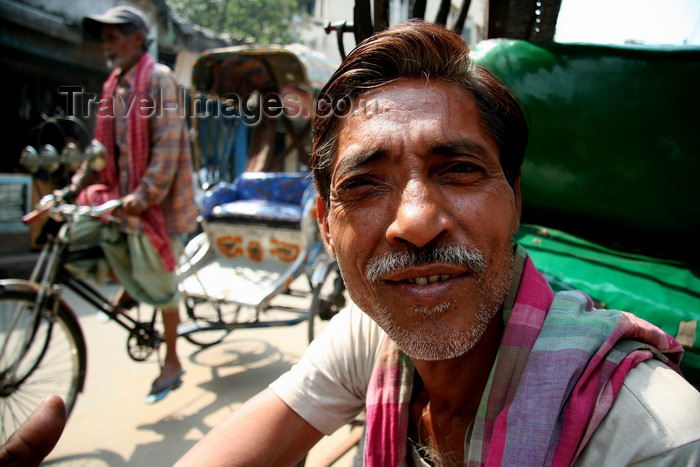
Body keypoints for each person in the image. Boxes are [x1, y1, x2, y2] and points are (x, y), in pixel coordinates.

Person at [7, 20, 699, 467]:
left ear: (515, 200)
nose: (417, 221)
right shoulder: (372, 339)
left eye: (458, 170)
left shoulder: (654, 437)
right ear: (325, 222)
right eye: (366, 185)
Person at [65, 5, 198, 403]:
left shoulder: (158, 78)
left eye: (113, 36)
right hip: (123, 199)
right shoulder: (114, 85)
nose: (107, 45)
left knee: (162, 286)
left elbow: (169, 145)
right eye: (103, 38)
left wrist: (143, 197)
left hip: (157, 205)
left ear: (138, 38)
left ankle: (173, 361)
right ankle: (127, 283)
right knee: (78, 230)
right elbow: (102, 150)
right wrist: (77, 184)